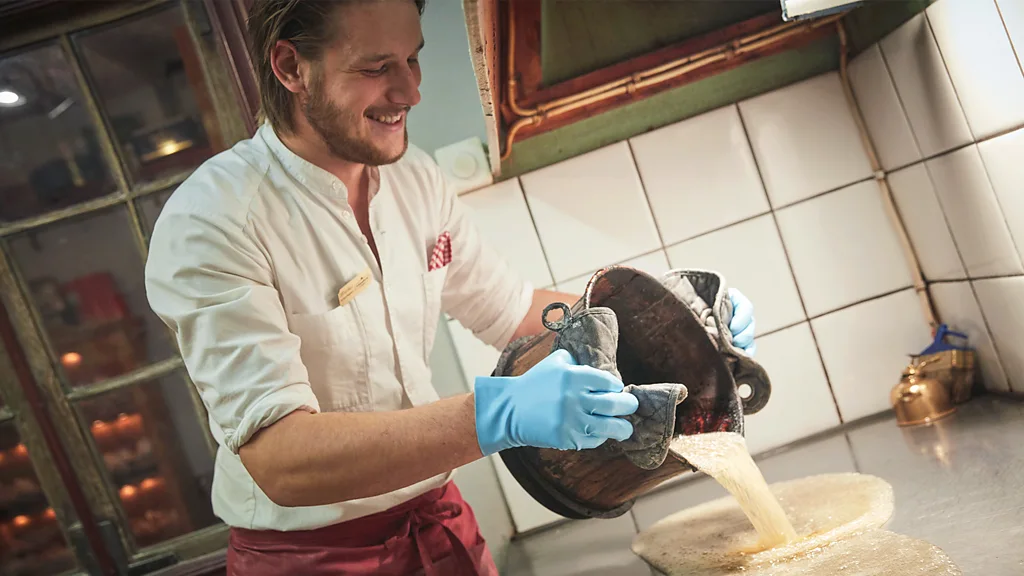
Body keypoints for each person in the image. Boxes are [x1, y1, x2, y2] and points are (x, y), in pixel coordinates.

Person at [144, 1, 758, 574]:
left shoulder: (413, 180)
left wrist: (670, 311)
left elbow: (514, 310)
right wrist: (498, 413)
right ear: (290, 66)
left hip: (438, 523)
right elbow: (282, 460)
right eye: (377, 67)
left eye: (412, 58)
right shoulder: (214, 220)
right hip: (310, 556)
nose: (410, 91)